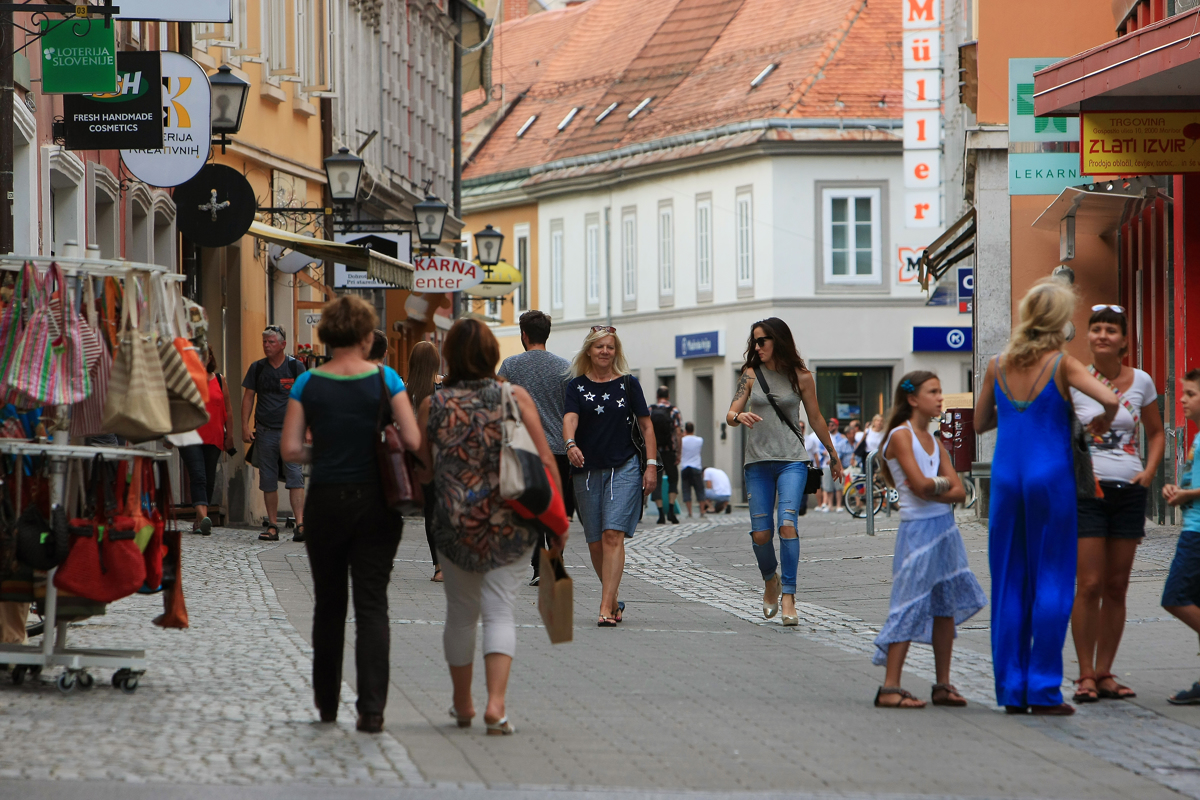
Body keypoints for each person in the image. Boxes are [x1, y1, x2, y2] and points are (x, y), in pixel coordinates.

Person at [974, 278, 1117, 715]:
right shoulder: (1061, 363)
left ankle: (1012, 689)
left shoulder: (997, 364)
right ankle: (1043, 688)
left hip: (1006, 479)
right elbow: (1111, 400)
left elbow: (980, 423)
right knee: (1053, 580)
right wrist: (1098, 424)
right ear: (1059, 320)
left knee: (1009, 581)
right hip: (1050, 477)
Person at [280, 295, 421, 733]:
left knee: (329, 603)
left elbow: (289, 449)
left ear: (325, 335)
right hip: (377, 503)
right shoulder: (386, 379)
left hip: (325, 501)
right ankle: (372, 710)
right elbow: (414, 440)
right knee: (372, 603)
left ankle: (326, 704)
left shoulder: (308, 382)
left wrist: (321, 451)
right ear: (365, 336)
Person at [416, 319, 562, 735]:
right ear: (491, 355)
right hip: (509, 521)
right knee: (500, 611)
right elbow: (545, 460)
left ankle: (463, 703)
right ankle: (496, 707)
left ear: (452, 357)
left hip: (453, 521)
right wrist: (557, 517)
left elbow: (424, 472)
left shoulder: (434, 404)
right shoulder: (514, 397)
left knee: (461, 614)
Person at [872, 372, 987, 709]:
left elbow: (960, 491)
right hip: (918, 533)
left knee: (944, 607)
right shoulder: (901, 436)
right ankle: (890, 687)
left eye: (940, 391)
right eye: (933, 391)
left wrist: (935, 486)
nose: (940, 397)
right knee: (908, 604)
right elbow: (923, 487)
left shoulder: (933, 441)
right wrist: (941, 486)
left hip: (945, 532)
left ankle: (942, 683)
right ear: (912, 399)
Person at [1070, 305, 1164, 703]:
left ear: (1125, 340)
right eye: (1096, 329)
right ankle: (1085, 674)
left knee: (1117, 586)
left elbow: (1157, 433)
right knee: (1089, 584)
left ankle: (1106, 671)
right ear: (1088, 336)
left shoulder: (1141, 380)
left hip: (1129, 490)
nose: (1103, 335)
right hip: (1087, 492)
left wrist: (1149, 473)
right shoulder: (1074, 378)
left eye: (1111, 330)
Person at [726, 317, 841, 627]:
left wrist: (833, 453)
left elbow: (815, 417)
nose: (757, 346)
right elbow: (730, 412)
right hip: (757, 463)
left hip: (792, 460)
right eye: (754, 341)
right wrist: (739, 415)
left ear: (778, 340)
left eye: (762, 340)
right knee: (761, 533)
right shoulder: (750, 374)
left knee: (787, 525)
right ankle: (770, 580)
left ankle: (789, 594)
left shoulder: (802, 377)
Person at [563, 325, 657, 626]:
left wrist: (651, 465)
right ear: (589, 350)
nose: (605, 351)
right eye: (600, 346)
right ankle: (614, 600)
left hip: (625, 465)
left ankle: (605, 607)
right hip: (587, 469)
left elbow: (647, 427)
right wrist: (570, 443)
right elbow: (570, 419)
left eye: (610, 347)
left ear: (616, 352)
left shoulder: (629, 384)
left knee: (612, 535)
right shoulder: (575, 386)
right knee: (594, 541)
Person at [498, 309, 574, 586]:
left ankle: (537, 564)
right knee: (558, 508)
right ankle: (554, 562)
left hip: (524, 449)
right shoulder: (565, 368)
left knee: (530, 509)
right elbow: (571, 411)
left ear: (524, 335)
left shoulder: (511, 366)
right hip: (558, 448)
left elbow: (499, 404)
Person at [242, 324, 307, 542]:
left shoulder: (296, 368)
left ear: (283, 345)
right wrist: (244, 426)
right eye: (264, 342)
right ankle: (272, 525)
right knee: (267, 478)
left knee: (295, 475)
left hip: (291, 432)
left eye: (271, 342)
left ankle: (300, 524)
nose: (266, 346)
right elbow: (248, 397)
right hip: (265, 431)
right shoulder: (257, 368)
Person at [1162, 370, 1200, 704]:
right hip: (1193, 526)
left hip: (1197, 533)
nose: (1183, 400)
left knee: (1175, 597)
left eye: (1190, 394)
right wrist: (1180, 490)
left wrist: (1187, 496)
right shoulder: (1197, 438)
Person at [180, 347, 235, 535]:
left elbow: (228, 410)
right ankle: (204, 518)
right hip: (189, 435)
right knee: (198, 475)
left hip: (214, 436)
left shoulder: (220, 379)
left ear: (210, 357)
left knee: (209, 478)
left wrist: (231, 435)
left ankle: (199, 521)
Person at [407, 341, 443, 582]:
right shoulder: (447, 385)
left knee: (431, 510)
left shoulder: (407, 390)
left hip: (422, 458)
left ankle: (439, 567)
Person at [651, 386, 682, 525]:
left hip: (655, 452)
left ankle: (660, 514)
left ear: (657, 396)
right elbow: (678, 433)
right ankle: (670, 510)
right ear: (668, 396)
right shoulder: (674, 410)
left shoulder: (650, 410)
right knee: (673, 479)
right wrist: (678, 452)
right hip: (669, 451)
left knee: (655, 481)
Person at [679, 422, 705, 518]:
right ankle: (702, 511)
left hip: (685, 467)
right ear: (693, 429)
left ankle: (690, 512)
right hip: (696, 466)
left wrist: (683, 435)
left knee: (686, 490)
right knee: (700, 490)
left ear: (685, 429)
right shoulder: (699, 440)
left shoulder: (682, 440)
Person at [805, 426, 832, 512]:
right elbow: (815, 453)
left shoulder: (828, 435)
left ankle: (825, 503)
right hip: (815, 463)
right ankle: (820, 504)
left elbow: (815, 453)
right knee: (817, 485)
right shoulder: (812, 437)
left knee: (824, 485)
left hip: (822, 464)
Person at [827, 418, 852, 510]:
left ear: (837, 426)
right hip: (827, 464)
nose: (830, 427)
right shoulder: (826, 435)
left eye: (832, 425)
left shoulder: (841, 437)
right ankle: (829, 505)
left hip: (837, 462)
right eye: (829, 425)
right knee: (828, 486)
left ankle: (838, 505)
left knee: (838, 485)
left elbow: (839, 453)